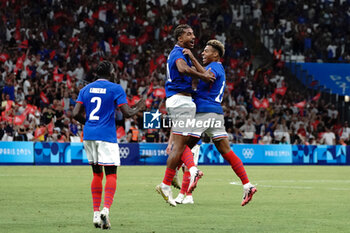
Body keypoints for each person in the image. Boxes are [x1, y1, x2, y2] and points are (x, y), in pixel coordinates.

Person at [181, 39, 257, 206]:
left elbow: (208, 78)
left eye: (206, 51)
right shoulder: (215, 67)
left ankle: (193, 172)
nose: (203, 53)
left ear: (215, 54)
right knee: (227, 152)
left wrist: (192, 58)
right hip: (216, 114)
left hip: (204, 111)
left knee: (181, 146)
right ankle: (247, 185)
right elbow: (202, 75)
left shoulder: (215, 66)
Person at [73, 61, 145, 229]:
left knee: (96, 174)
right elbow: (127, 113)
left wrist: (89, 124)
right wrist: (138, 107)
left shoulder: (85, 89)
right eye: (114, 71)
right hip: (106, 136)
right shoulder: (115, 88)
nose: (115, 74)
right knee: (111, 174)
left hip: (89, 136)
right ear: (111, 73)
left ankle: (96, 214)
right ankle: (106, 209)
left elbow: (75, 113)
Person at [156, 24, 215, 207]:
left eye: (193, 33)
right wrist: (202, 76)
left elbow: (198, 71)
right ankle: (178, 177)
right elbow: (181, 69)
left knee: (183, 144)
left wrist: (196, 65)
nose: (193, 36)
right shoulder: (177, 53)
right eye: (189, 34)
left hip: (183, 101)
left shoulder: (184, 53)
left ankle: (173, 180)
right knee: (180, 145)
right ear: (179, 38)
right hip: (180, 101)